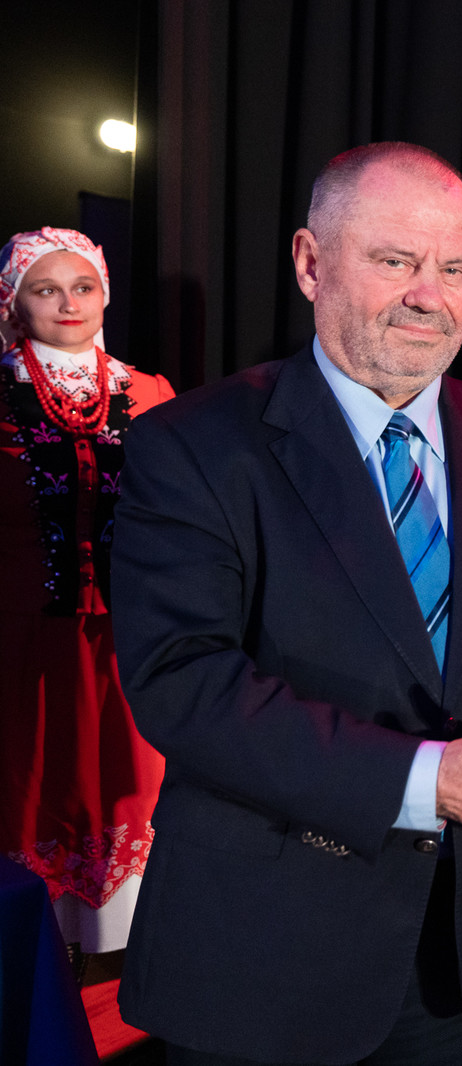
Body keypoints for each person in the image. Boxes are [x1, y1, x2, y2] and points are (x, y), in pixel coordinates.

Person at [109, 143, 462, 1065]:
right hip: (263, 963)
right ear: (311, 263)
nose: (430, 296)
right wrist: (426, 781)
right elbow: (182, 682)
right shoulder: (192, 446)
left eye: (455, 269)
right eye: (396, 261)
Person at [0, 227, 173, 972]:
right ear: (14, 302)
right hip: (20, 640)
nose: (68, 303)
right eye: (47, 289)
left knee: (129, 779)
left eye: (84, 287)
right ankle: (37, 951)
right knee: (31, 779)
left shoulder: (150, 392)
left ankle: (122, 950)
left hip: (126, 636)